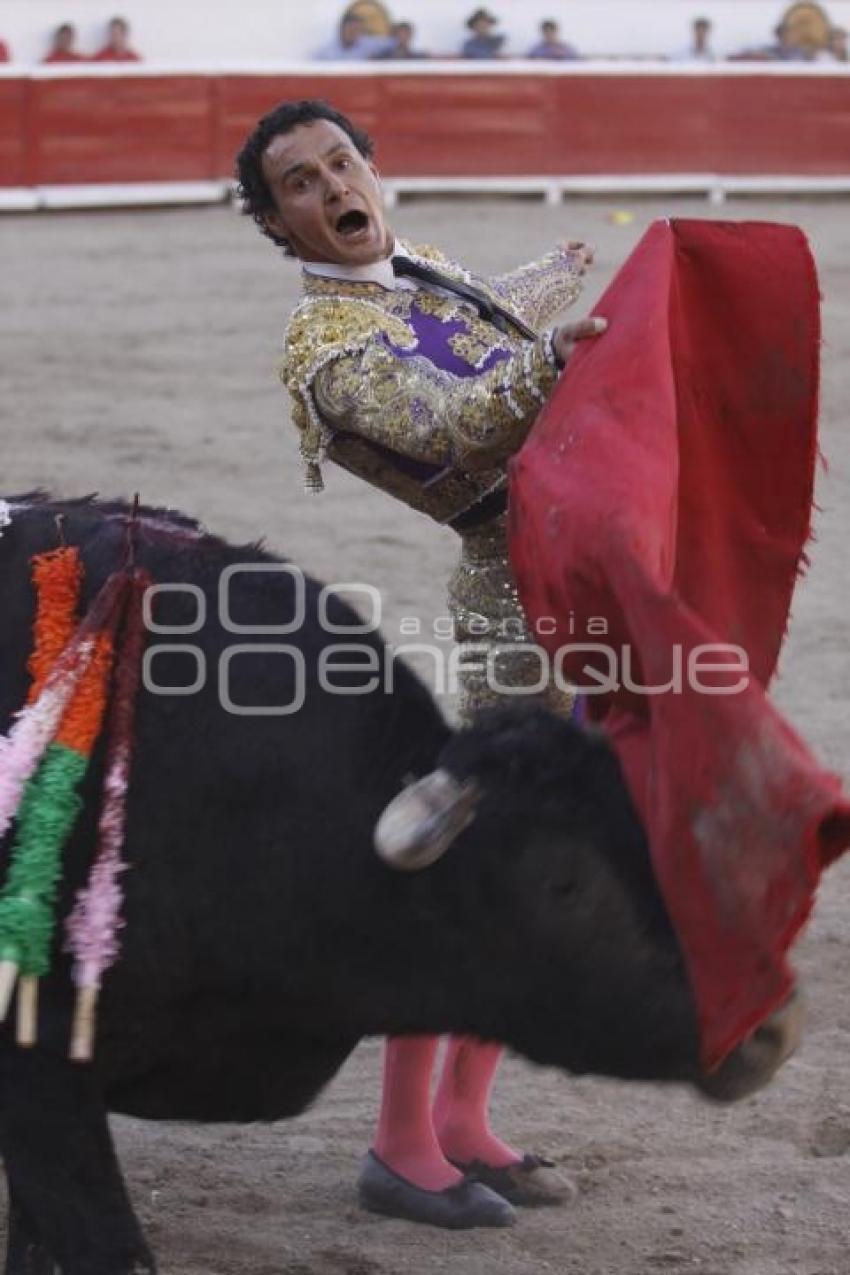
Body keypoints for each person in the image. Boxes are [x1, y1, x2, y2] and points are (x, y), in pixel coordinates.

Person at [236, 98, 606, 1229]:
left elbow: (485, 315)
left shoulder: (415, 269)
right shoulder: (322, 343)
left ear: (371, 171)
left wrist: (567, 273)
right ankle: (399, 1145)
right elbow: (451, 423)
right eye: (298, 182)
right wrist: (548, 357)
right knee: (471, 873)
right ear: (278, 223)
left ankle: (462, 1125)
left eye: (339, 163)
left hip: (570, 575)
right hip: (509, 597)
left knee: (539, 860)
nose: (328, 186)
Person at [316, 12, 390, 61]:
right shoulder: (327, 51)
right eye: (350, 29)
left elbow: (392, 43)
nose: (353, 33)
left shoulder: (368, 44)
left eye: (357, 30)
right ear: (342, 28)